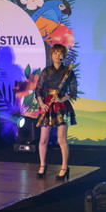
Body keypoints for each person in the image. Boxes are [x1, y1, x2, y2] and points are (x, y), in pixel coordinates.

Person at [34, 43, 77, 180]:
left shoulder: (68, 72)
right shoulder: (46, 71)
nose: (58, 56)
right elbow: (38, 90)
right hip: (47, 105)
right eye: (55, 53)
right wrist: (42, 104)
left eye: (60, 53)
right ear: (51, 55)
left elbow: (73, 92)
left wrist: (61, 99)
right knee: (43, 140)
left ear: (64, 55)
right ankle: (42, 165)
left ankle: (64, 167)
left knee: (61, 139)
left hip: (62, 106)